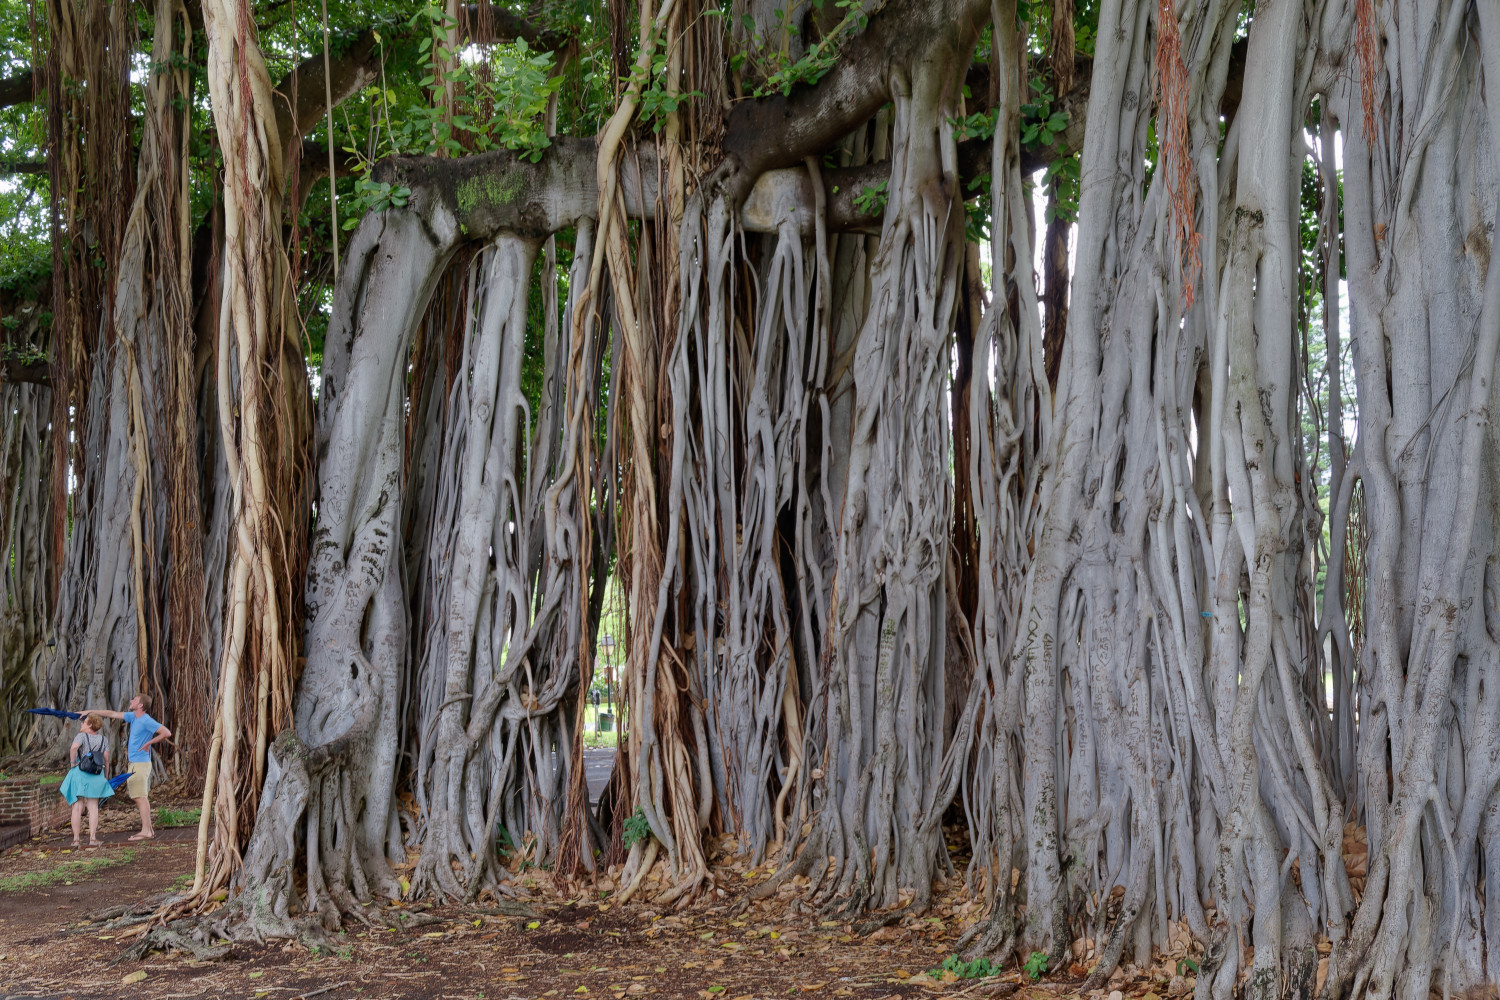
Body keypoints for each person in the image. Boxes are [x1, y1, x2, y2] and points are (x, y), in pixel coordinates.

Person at [82, 693, 170, 841]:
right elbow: (113, 713)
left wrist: (149, 743)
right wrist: (91, 712)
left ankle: (146, 831)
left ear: (140, 705)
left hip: (140, 764)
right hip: (136, 763)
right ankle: (149, 830)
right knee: (140, 797)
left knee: (140, 797)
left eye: (134, 700)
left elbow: (166, 732)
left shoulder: (146, 720)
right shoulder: (133, 717)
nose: (131, 700)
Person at [58, 713, 114, 848]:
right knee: (93, 808)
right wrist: (105, 776)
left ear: (90, 725)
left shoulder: (82, 736)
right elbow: (106, 759)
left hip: (80, 773)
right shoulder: (103, 739)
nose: (81, 724)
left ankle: (76, 839)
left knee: (77, 807)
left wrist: (72, 764)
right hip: (97, 775)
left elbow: (74, 748)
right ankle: (93, 838)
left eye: (84, 722)